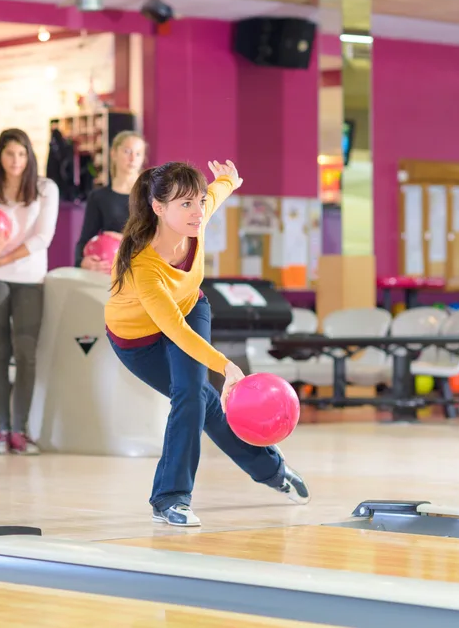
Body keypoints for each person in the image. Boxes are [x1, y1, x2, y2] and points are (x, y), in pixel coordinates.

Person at [104, 160, 310, 527]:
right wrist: (227, 366)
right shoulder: (142, 263)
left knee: (192, 396)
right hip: (137, 339)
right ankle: (186, 495)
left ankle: (180, 495)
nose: (198, 211)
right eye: (185, 204)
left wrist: (227, 179)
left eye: (198, 201)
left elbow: (217, 193)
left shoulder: (194, 221)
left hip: (190, 308)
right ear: (158, 207)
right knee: (198, 399)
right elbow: (174, 331)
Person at [0, 128, 60, 455]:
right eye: (9, 154)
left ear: (30, 156)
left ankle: (21, 430)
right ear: (0, 158)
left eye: (21, 154)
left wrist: (4, 255)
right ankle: (2, 430)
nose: (16, 160)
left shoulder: (46, 189)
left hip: (30, 279)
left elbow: (42, 238)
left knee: (26, 353)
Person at [74, 131, 147, 271]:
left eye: (138, 154)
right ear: (113, 153)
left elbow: (161, 241)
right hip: (109, 274)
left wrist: (124, 240)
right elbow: (85, 240)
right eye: (127, 151)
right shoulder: (98, 197)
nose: (132, 158)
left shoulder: (152, 195)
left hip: (144, 272)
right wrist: (82, 262)